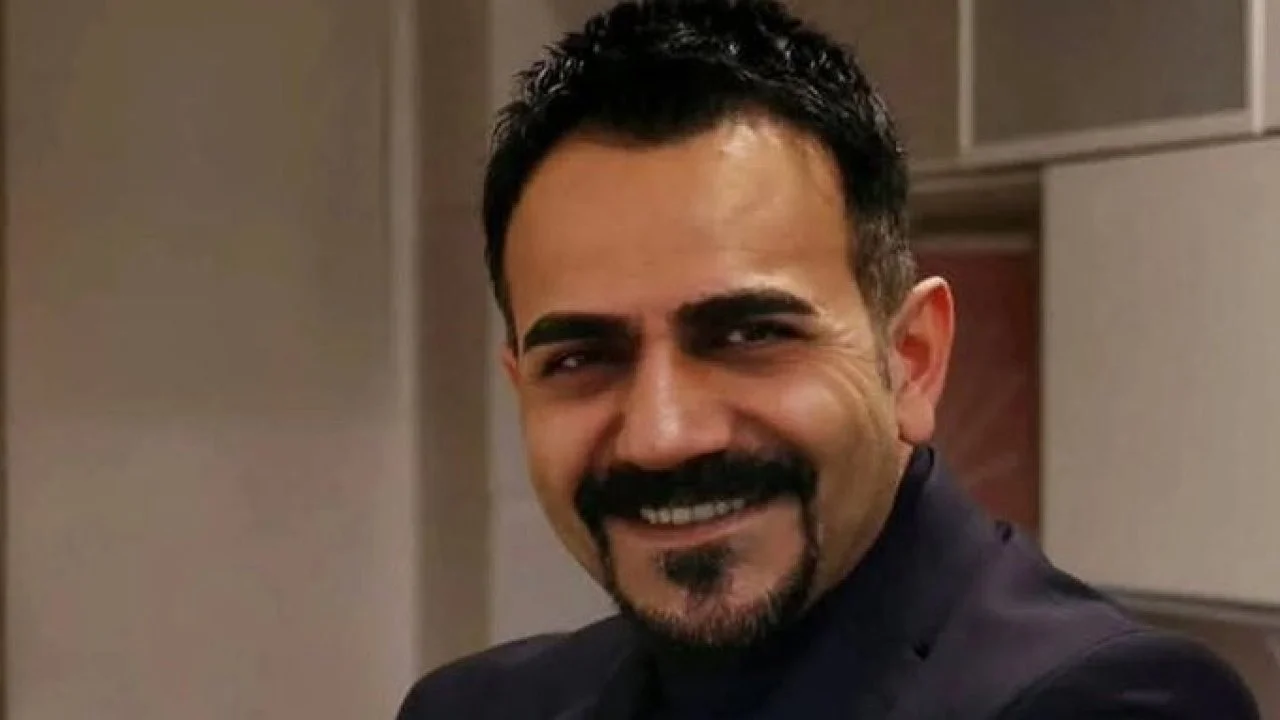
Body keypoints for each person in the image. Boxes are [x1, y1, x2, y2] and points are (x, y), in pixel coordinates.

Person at [396, 1, 1261, 717]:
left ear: (911, 360)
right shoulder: (478, 708)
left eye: (749, 336)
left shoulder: (1106, 701)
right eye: (583, 358)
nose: (662, 435)